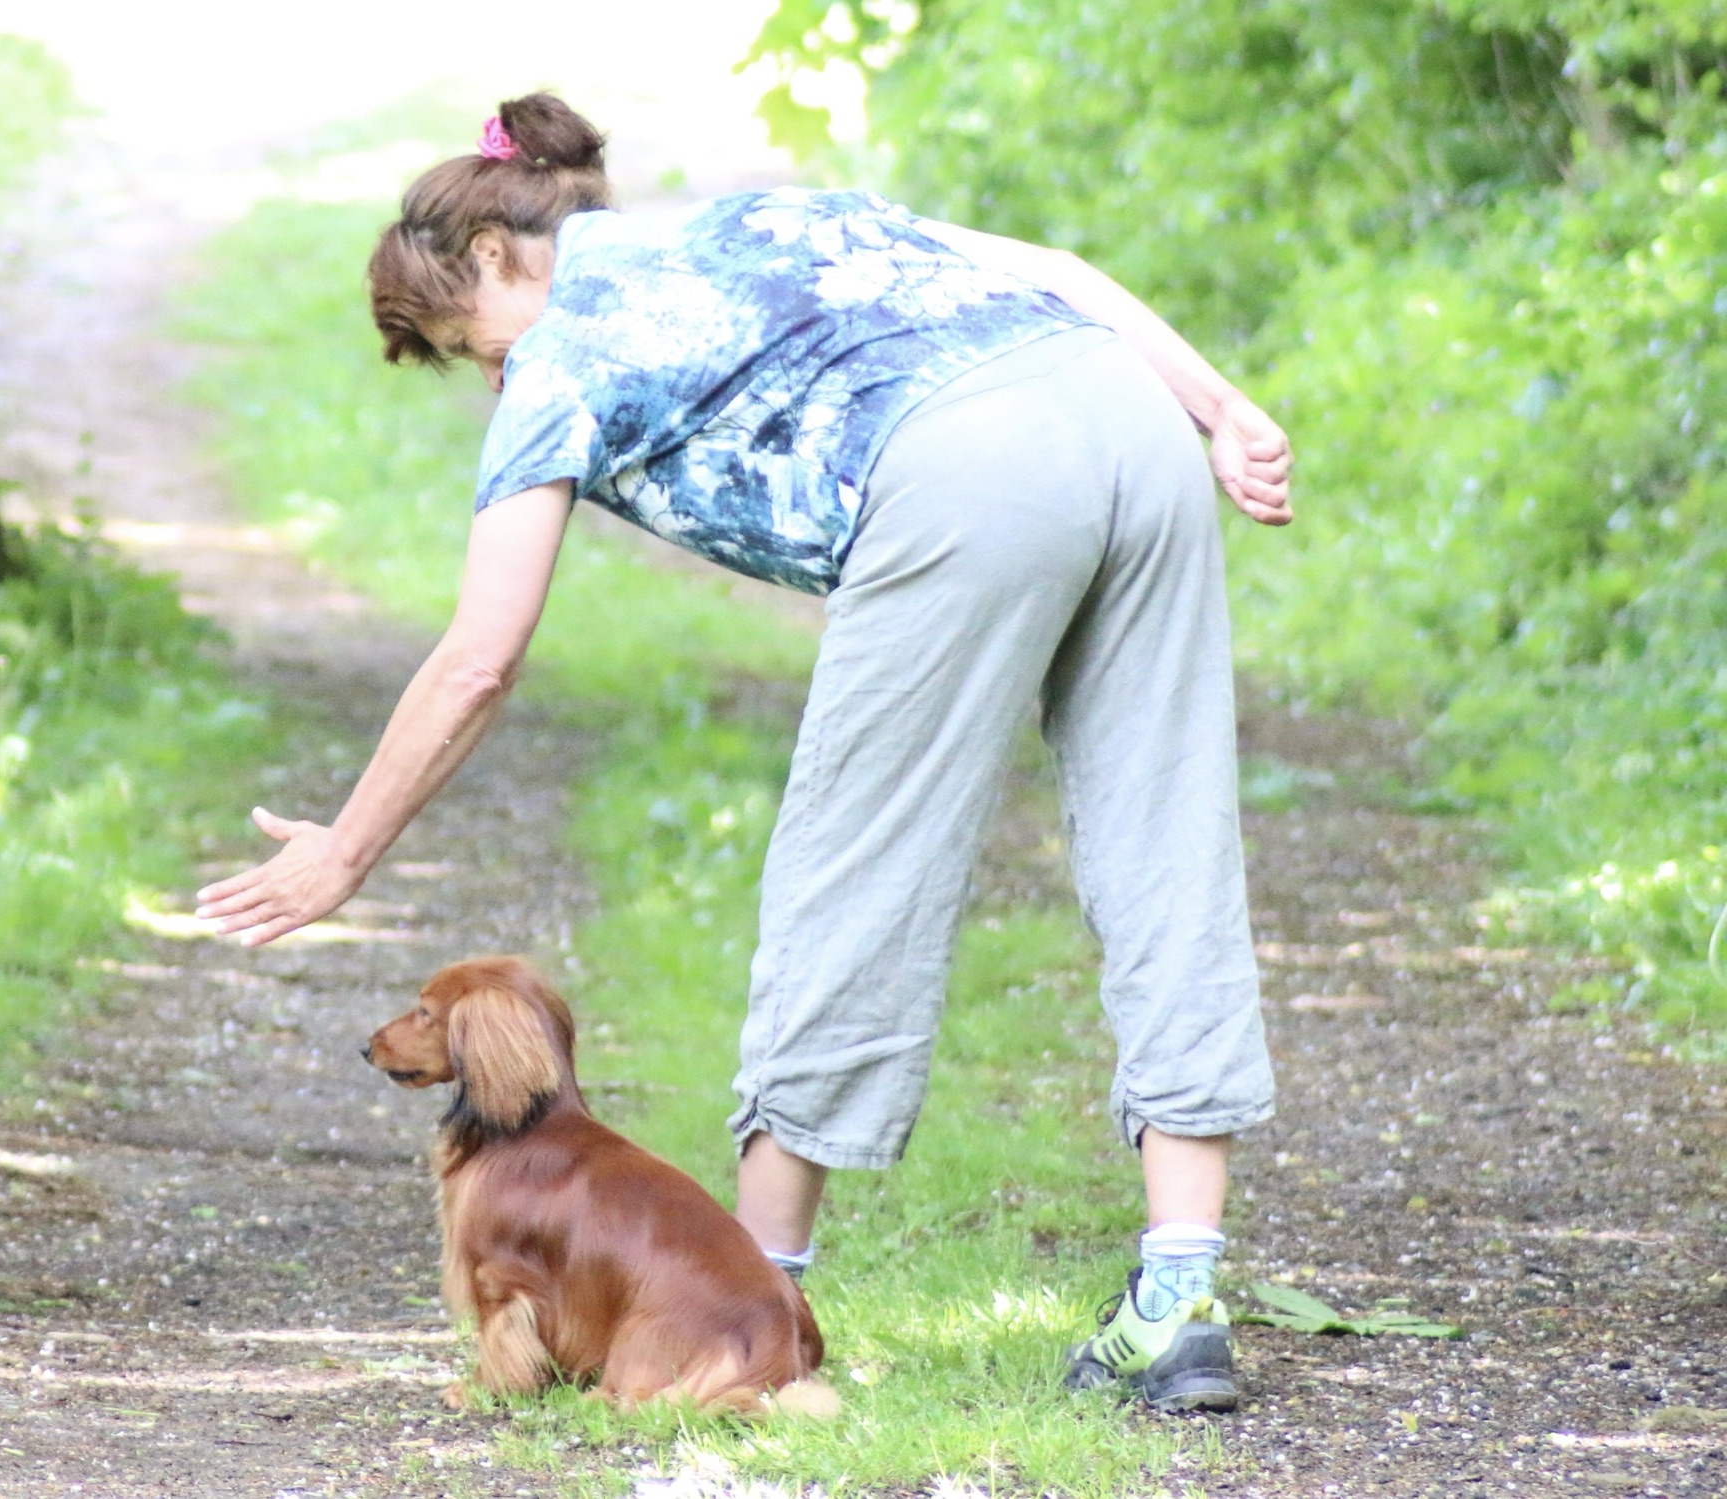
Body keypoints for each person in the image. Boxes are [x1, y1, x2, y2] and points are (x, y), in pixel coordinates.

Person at [196, 93, 1292, 1413]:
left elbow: (481, 655)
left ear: (495, 254)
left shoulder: (559, 361)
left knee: (856, 871)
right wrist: (1220, 409)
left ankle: (759, 1304)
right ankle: (1179, 1297)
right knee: (1169, 838)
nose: (489, 375)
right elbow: (1051, 275)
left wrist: (344, 854)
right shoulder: (760, 215)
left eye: (463, 343)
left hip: (964, 471)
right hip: (1128, 417)